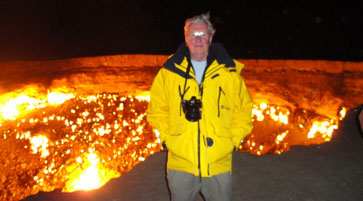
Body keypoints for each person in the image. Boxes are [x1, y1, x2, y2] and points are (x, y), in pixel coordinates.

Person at [147, 13, 253, 201]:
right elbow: (157, 111)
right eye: (192, 35)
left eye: (202, 35)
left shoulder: (229, 74)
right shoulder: (169, 73)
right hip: (180, 163)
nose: (197, 40)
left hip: (218, 163)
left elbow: (243, 112)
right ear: (186, 39)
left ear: (211, 37)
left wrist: (232, 142)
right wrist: (167, 139)